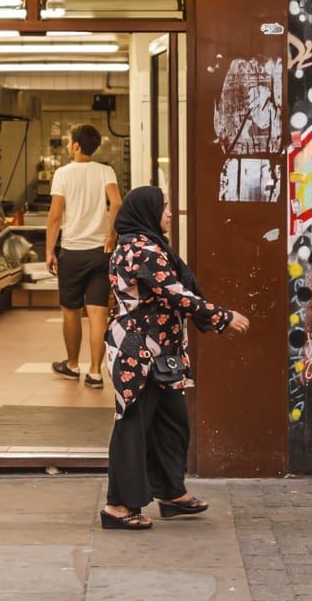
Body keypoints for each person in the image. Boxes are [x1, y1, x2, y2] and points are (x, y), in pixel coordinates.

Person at [99, 186, 247, 528]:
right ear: (147, 212)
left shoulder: (148, 244)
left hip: (159, 352)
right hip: (136, 352)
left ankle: (171, 492)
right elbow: (175, 294)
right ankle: (117, 508)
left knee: (171, 421)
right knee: (132, 426)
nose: (169, 212)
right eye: (164, 207)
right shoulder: (141, 249)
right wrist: (222, 315)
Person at [47, 124, 120, 389]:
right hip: (101, 252)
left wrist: (49, 251)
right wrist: (111, 235)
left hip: (73, 252)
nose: (68, 145)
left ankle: (72, 364)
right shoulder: (105, 171)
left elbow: (55, 215)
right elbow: (117, 202)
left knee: (71, 311)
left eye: (69, 142)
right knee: (99, 312)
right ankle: (95, 373)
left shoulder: (63, 174)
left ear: (76, 145)